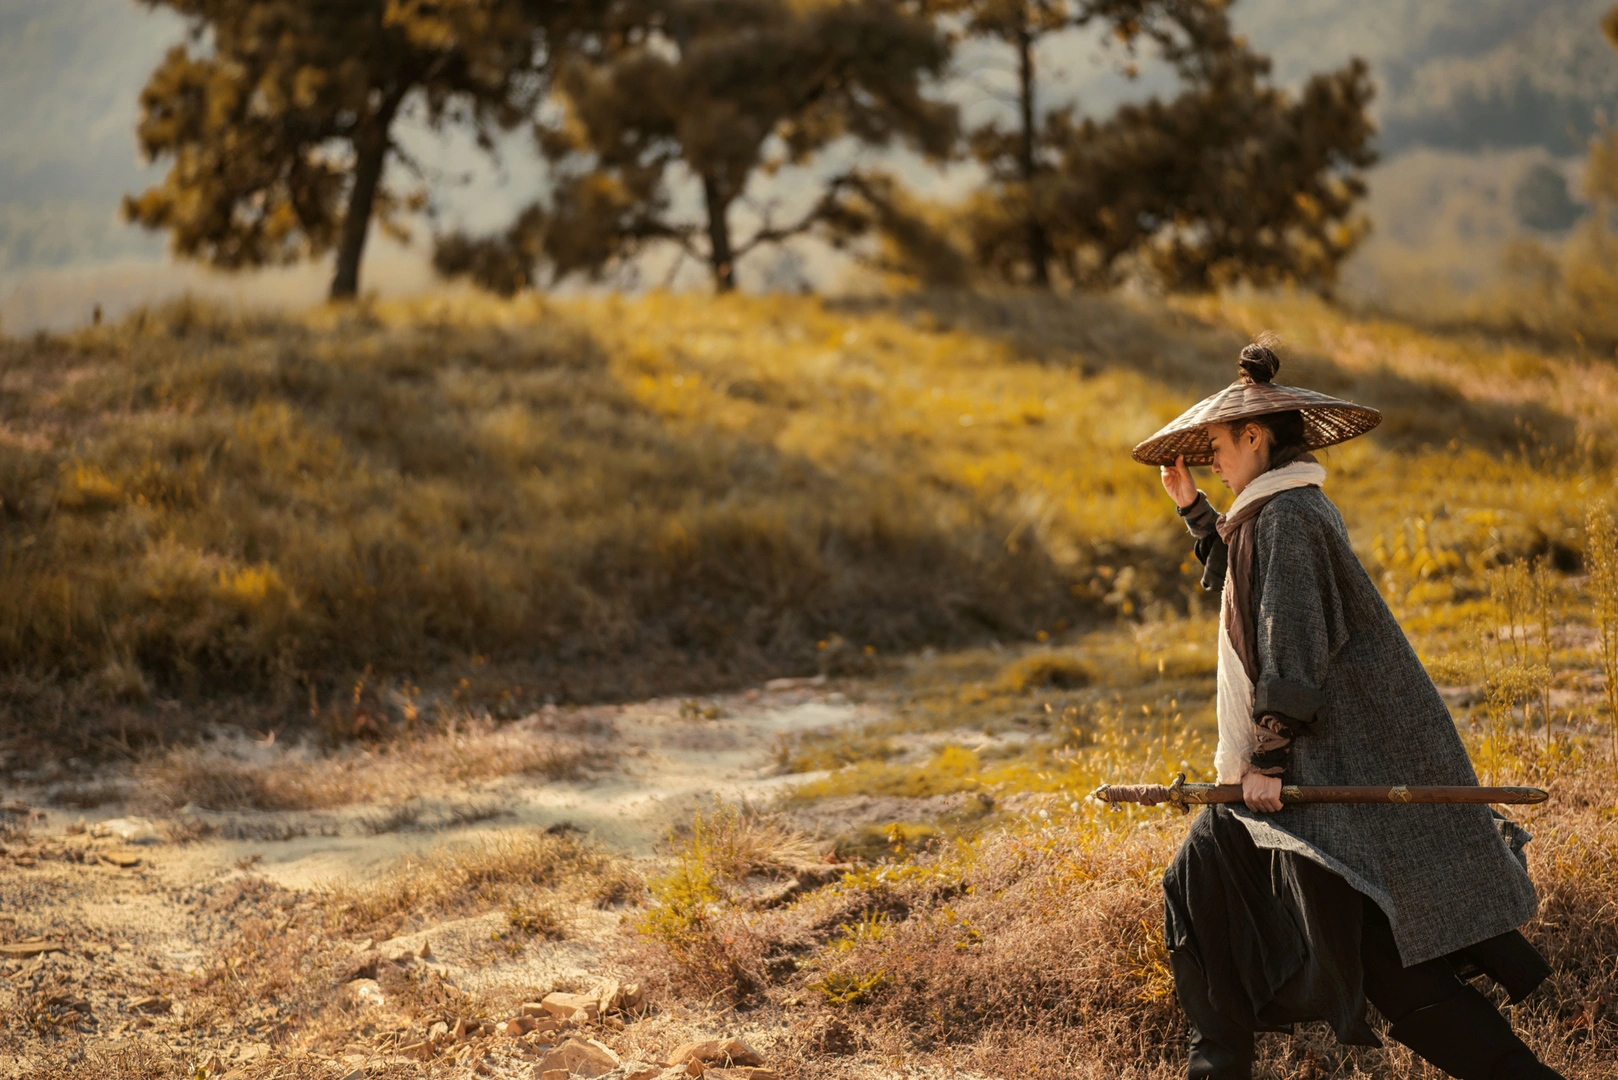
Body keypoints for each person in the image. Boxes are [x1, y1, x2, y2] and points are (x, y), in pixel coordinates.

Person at [1132, 339, 1562, 1080]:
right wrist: (1197, 512)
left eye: (1218, 447)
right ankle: (1219, 1062)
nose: (1211, 459)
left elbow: (1292, 636)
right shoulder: (1272, 511)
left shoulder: (1290, 517)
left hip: (1308, 765)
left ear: (1255, 436)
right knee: (1219, 897)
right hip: (1295, 765)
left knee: (1368, 952)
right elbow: (1246, 579)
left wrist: (1267, 758)